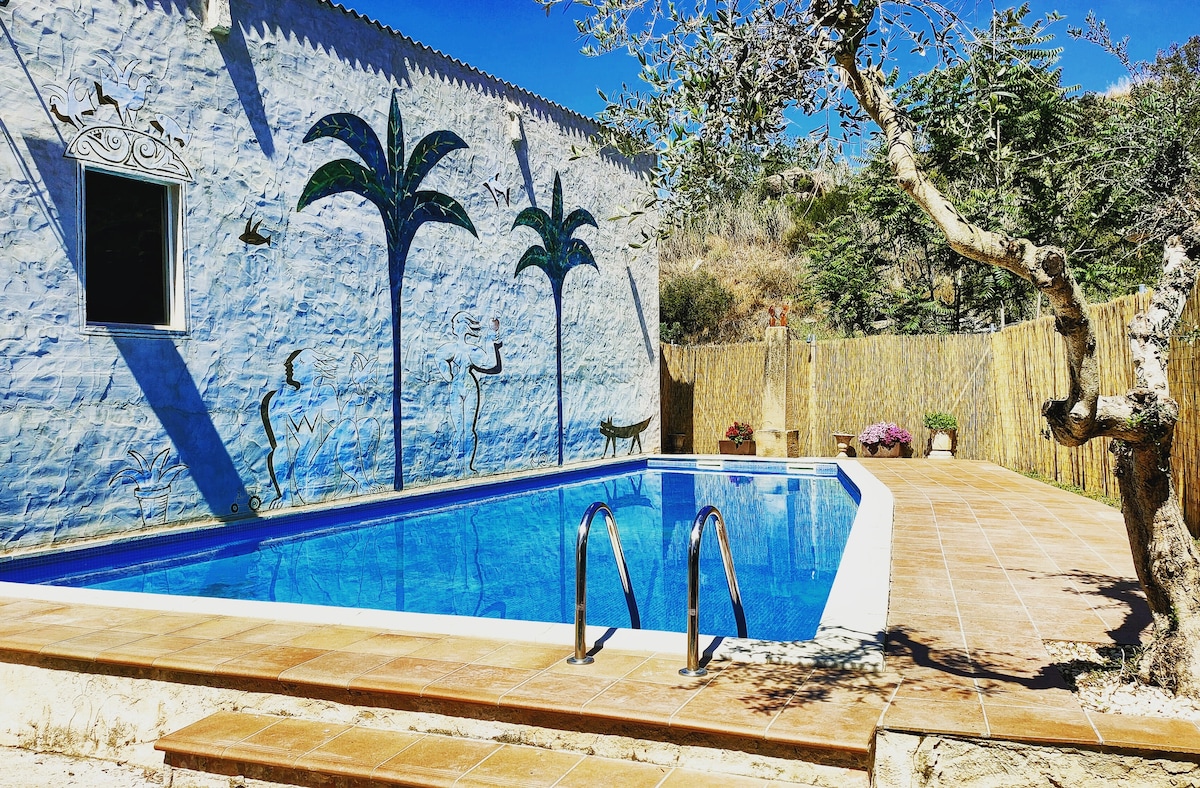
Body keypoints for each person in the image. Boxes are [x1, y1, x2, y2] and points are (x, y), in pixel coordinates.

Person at [261, 348, 340, 507]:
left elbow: (333, 437)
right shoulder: (279, 400)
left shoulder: (327, 393)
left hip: (324, 471)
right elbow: (281, 446)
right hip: (297, 474)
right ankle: (285, 495)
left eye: (301, 362)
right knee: (281, 449)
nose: (291, 364)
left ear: (313, 368)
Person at [437, 312, 502, 474]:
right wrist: (447, 374)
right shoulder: (454, 348)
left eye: (455, 323)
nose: (453, 325)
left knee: (468, 429)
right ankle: (460, 467)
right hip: (458, 385)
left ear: (461, 326)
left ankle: (467, 466)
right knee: (460, 429)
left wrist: (491, 336)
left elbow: (490, 363)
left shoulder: (470, 350)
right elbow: (439, 357)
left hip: (467, 386)